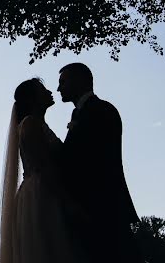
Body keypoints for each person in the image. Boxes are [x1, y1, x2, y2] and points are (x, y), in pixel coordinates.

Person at [58, 62, 140, 263]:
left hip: (103, 210)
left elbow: (96, 161)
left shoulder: (102, 110)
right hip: (90, 210)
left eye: (63, 81)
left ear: (79, 80)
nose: (59, 88)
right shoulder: (79, 113)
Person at [0, 78, 83, 263]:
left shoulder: (36, 124)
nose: (51, 92)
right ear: (33, 98)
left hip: (41, 190)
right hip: (42, 193)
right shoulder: (30, 124)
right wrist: (68, 202)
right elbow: (45, 166)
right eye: (43, 89)